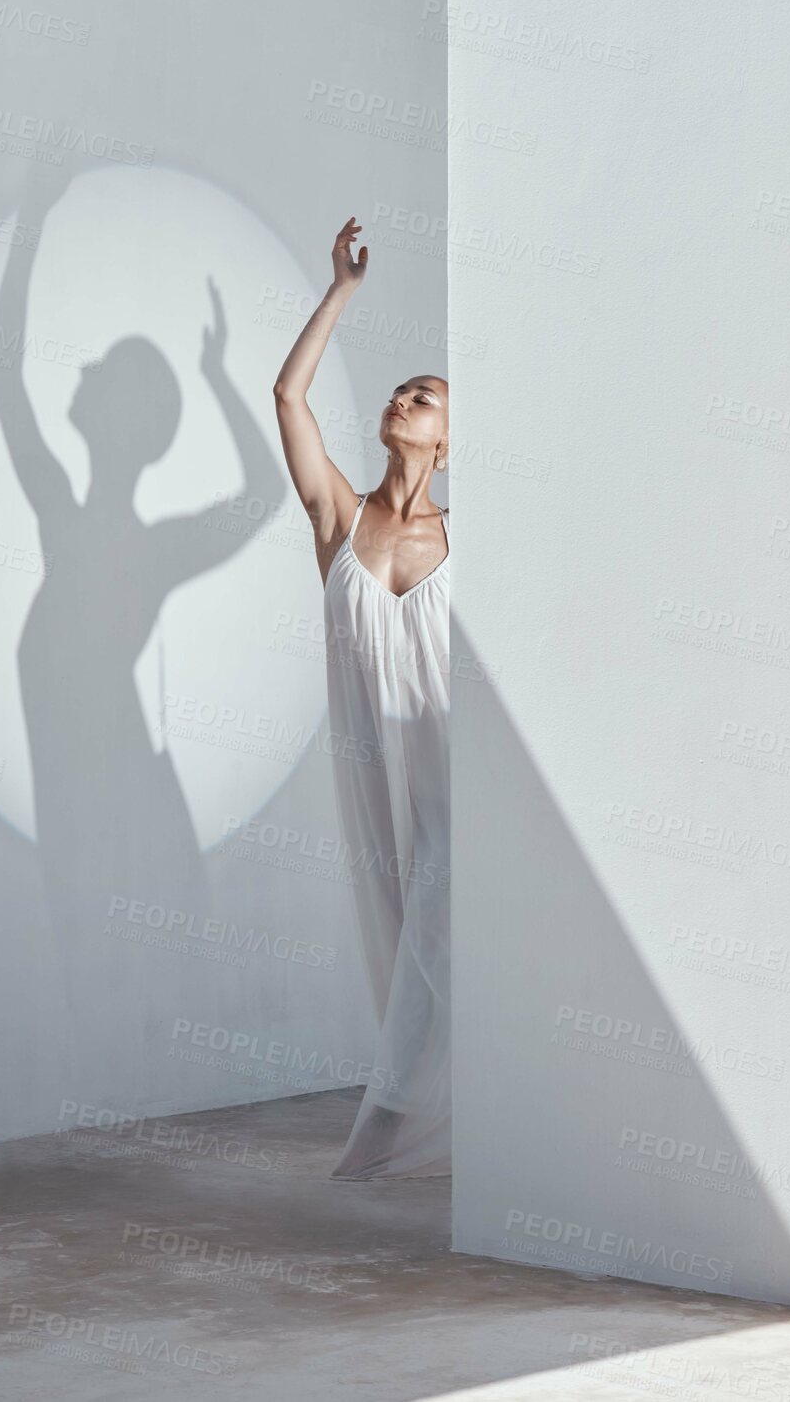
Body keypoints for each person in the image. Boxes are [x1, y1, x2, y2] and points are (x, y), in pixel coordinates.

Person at [272, 217, 451, 1179]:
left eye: (423, 397)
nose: (401, 397)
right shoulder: (339, 518)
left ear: (448, 439)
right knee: (407, 937)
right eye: (398, 389)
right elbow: (287, 395)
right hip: (371, 774)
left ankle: (382, 1131)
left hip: (453, 774)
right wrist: (340, 290)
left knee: (435, 920)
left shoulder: (467, 544)